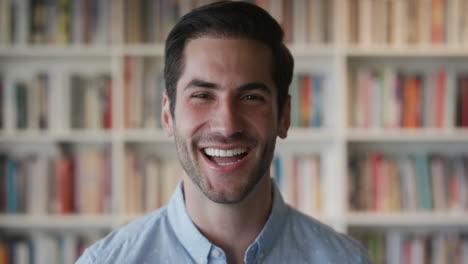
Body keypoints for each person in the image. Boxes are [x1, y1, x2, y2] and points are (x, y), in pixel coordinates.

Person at [76, 1, 373, 263]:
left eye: (251, 97)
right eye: (202, 96)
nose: (227, 126)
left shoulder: (346, 259)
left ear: (284, 116)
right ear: (168, 114)